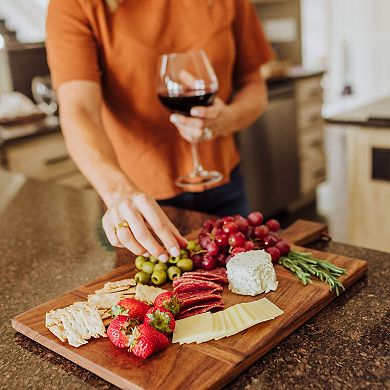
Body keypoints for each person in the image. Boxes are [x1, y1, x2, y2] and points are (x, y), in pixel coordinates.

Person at [46, 0, 273, 263]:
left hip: (225, 187)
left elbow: (254, 86)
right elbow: (79, 111)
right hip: (142, 206)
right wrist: (118, 193)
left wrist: (229, 118)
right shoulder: (74, 4)